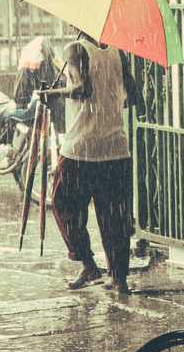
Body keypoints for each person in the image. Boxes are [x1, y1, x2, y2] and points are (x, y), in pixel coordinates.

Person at [43, 31, 142, 294]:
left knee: (64, 206)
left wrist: (53, 92)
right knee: (114, 219)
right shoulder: (118, 52)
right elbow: (133, 95)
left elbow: (82, 89)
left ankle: (88, 265)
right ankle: (119, 279)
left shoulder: (75, 49)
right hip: (115, 149)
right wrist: (108, 102)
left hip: (81, 150)